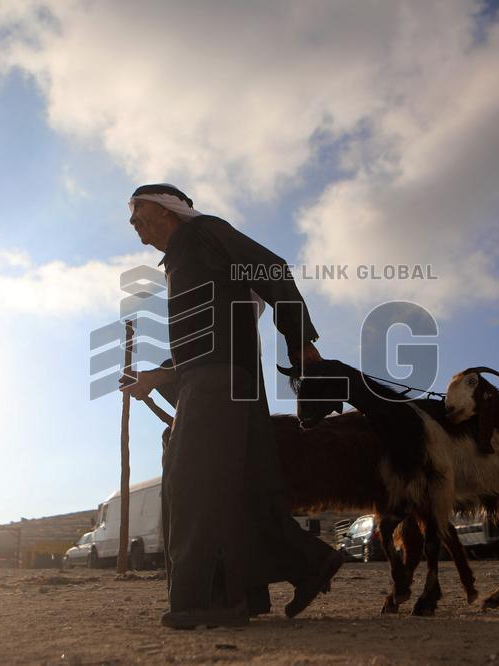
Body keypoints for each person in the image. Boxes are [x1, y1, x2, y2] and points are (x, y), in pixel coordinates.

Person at [119, 183, 341, 629]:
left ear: (169, 211)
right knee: (244, 488)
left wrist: (299, 341)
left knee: (194, 483)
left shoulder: (204, 234)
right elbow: (200, 343)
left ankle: (212, 600)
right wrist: (156, 378)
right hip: (225, 381)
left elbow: (273, 271)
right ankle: (306, 565)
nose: (134, 227)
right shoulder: (181, 259)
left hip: (222, 381)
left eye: (140, 214)